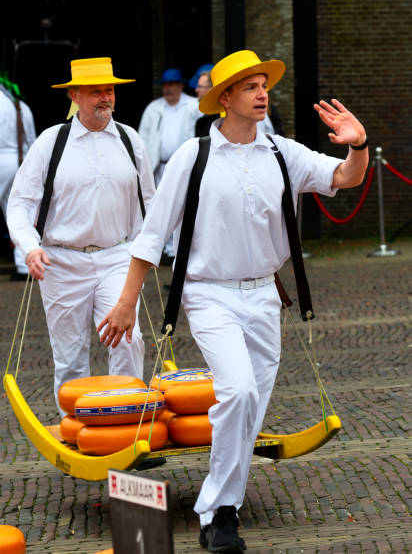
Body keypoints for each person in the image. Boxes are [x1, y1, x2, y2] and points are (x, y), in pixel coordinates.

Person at [97, 49, 369, 552]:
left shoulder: (282, 152)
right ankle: (218, 512)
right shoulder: (193, 156)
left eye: (264, 84)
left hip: (265, 297)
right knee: (238, 392)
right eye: (250, 86)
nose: (263, 93)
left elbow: (344, 178)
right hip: (209, 296)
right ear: (224, 99)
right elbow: (152, 234)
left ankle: (224, 507)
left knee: (250, 408)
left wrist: (359, 146)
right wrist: (127, 301)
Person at [7, 57, 155, 416]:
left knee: (129, 340)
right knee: (70, 355)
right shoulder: (50, 142)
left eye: (110, 90)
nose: (105, 98)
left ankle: (126, 423)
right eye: (95, 92)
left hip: (118, 256)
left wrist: (145, 252)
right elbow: (19, 205)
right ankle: (77, 432)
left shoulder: (130, 140)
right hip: (61, 260)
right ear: (75, 95)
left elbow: (151, 204)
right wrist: (30, 248)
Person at [138, 67, 200, 263]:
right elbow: (143, 137)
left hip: (186, 165)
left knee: (184, 203)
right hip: (160, 165)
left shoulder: (194, 106)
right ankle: (164, 249)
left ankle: (179, 249)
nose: (168, 89)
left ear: (181, 85)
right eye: (165, 85)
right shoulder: (153, 107)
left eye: (172, 84)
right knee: (160, 205)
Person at [0, 82, 36, 280]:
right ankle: (24, 266)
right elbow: (31, 140)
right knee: (16, 212)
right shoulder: (20, 105)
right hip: (18, 160)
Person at [194, 70, 220, 137]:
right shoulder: (201, 122)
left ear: (211, 89)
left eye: (200, 86)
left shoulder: (224, 119)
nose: (196, 90)